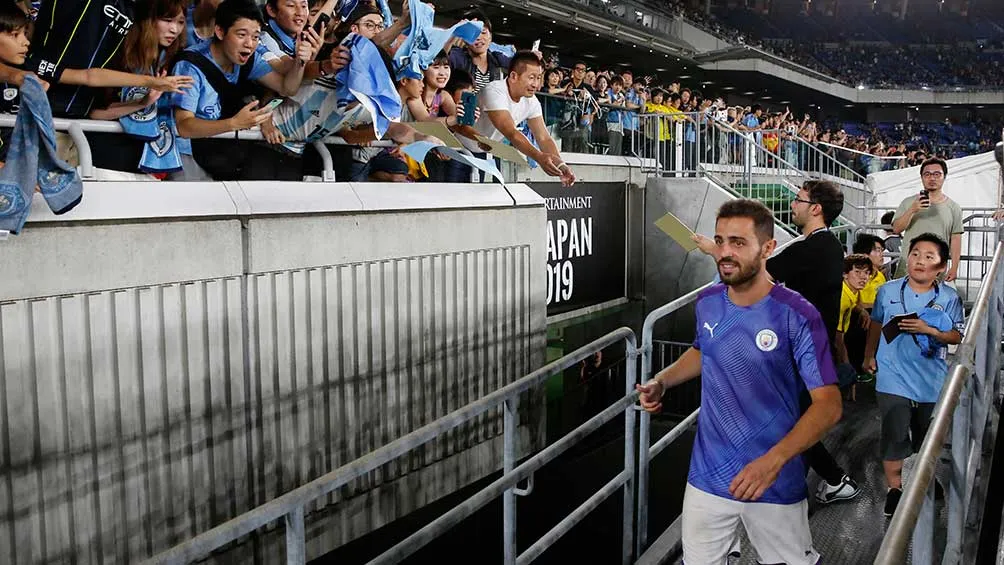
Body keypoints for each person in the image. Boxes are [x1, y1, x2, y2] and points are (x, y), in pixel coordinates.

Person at [638, 199, 841, 565]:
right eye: (719, 241)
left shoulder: (798, 314)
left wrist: (774, 460)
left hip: (773, 479)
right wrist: (663, 381)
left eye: (738, 242)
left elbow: (829, 404)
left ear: (768, 248)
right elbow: (704, 350)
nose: (725, 253)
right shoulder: (708, 301)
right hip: (708, 476)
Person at [694, 180, 860, 505]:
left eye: (799, 200)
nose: (793, 205)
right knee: (791, 417)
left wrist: (713, 250)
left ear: (816, 209)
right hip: (804, 347)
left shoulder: (811, 249)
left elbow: (756, 272)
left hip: (799, 350)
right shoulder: (823, 247)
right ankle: (830, 478)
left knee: (790, 419)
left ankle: (832, 478)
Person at [863, 233, 964, 517]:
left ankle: (927, 479)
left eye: (929, 257)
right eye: (915, 253)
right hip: (892, 374)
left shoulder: (950, 297)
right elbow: (876, 323)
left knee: (927, 435)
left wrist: (930, 331)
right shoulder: (888, 291)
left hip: (930, 376)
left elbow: (956, 336)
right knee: (894, 429)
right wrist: (869, 355)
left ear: (942, 266)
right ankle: (894, 489)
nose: (919, 261)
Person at [169, 0, 316, 180]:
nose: (249, 44)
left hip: (222, 155)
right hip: (185, 156)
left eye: (255, 37)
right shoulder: (190, 65)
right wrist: (233, 123)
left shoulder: (250, 61)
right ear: (220, 31)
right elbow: (184, 126)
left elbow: (287, 88)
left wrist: (300, 62)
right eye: (241, 35)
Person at [463, 51, 576, 187]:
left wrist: (561, 165)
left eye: (539, 78)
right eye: (531, 77)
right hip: (460, 148)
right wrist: (539, 157)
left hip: (487, 151)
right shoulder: (494, 91)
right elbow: (510, 132)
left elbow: (543, 138)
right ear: (513, 76)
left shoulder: (532, 101)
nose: (535, 84)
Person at [891, 157, 963, 281]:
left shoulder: (954, 207)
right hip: (909, 264)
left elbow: (956, 239)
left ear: (944, 177)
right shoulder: (908, 202)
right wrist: (912, 210)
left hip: (936, 265)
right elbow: (896, 229)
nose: (932, 178)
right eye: (927, 174)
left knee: (933, 299)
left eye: (937, 174)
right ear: (922, 178)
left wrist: (955, 267)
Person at [836, 254, 873, 399]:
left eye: (867, 273)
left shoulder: (852, 291)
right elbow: (837, 337)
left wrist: (862, 310)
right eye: (857, 272)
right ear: (845, 274)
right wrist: (846, 365)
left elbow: (855, 303)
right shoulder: (842, 298)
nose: (863, 277)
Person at [447, 9, 510, 94]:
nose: (479, 38)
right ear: (465, 39)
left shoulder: (498, 59)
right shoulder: (458, 57)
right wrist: (454, 33)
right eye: (473, 34)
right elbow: (440, 58)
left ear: (490, 36)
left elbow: (520, 67)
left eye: (483, 32)